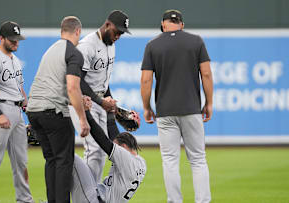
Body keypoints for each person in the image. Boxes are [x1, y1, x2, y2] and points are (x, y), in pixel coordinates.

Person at [140, 10, 213, 203]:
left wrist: (147, 107)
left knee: (170, 161)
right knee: (197, 159)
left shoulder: (152, 45)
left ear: (163, 25)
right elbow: (206, 74)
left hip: (165, 112)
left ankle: (174, 201)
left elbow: (146, 80)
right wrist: (209, 102)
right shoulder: (196, 41)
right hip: (191, 109)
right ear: (182, 24)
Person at [25, 16, 90, 203]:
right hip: (53, 112)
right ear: (78, 31)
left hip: (34, 110)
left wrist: (78, 100)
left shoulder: (51, 50)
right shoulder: (74, 53)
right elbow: (72, 87)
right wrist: (82, 119)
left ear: (62, 30)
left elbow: (56, 87)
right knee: (64, 161)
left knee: (52, 160)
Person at [68, 9, 131, 184]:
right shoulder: (87, 45)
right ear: (108, 24)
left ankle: (92, 193)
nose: (118, 35)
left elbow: (103, 82)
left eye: (122, 33)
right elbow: (77, 81)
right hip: (82, 101)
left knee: (102, 151)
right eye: (117, 31)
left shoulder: (111, 46)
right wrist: (100, 101)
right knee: (94, 149)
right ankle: (86, 195)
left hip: (99, 102)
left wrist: (112, 105)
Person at [0, 21, 34, 203]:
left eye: (18, 39)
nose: (16, 43)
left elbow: (19, 90)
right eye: (12, 39)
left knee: (21, 161)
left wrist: (30, 113)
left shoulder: (15, 60)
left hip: (16, 111)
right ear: (1, 38)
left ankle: (24, 199)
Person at [71, 96, 146, 203]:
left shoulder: (126, 158)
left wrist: (87, 113)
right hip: (99, 197)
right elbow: (115, 138)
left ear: (124, 146)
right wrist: (110, 112)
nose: (114, 146)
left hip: (93, 200)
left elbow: (103, 140)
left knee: (69, 155)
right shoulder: (140, 162)